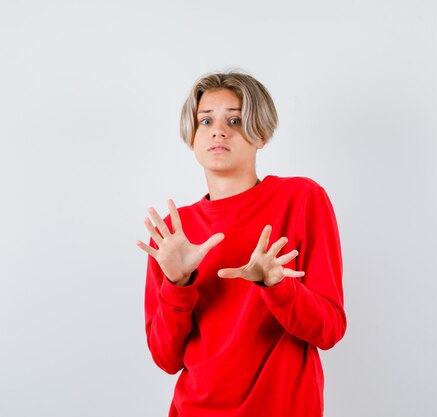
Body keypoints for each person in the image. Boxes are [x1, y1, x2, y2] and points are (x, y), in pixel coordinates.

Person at [136, 71, 347, 417]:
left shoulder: (301, 199)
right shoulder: (174, 231)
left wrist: (277, 286)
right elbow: (166, 358)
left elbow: (329, 329)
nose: (218, 130)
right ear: (192, 137)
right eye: (206, 121)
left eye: (234, 119)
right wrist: (177, 284)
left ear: (261, 134)